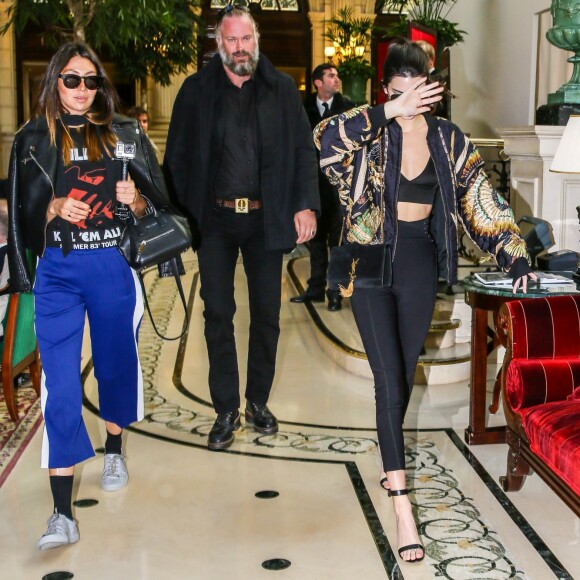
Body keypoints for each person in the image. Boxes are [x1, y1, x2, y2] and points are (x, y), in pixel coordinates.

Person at [315, 39, 535, 563]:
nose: (410, 101)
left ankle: (388, 462)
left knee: (403, 376)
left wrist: (516, 258)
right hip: (369, 263)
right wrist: (388, 112)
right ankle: (401, 506)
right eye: (398, 92)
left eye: (418, 91)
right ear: (386, 92)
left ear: (432, 92)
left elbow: (481, 197)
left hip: (416, 264)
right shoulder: (368, 133)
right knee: (389, 382)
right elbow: (323, 143)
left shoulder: (447, 138)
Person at [7, 42, 172, 550]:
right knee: (58, 385)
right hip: (57, 272)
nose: (81, 90)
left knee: (115, 366)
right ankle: (61, 513)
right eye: (71, 80)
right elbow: (18, 212)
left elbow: (157, 205)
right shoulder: (32, 138)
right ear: (54, 82)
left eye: (90, 81)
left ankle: (115, 446)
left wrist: (136, 198)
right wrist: (52, 208)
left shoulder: (125, 133)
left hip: (110, 266)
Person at [164, 5, 319, 450]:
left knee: (268, 315)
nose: (239, 48)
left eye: (245, 39)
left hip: (266, 220)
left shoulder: (283, 89)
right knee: (217, 313)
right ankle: (226, 408)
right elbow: (175, 159)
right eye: (230, 41)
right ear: (219, 44)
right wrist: (178, 218)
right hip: (213, 220)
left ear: (256, 39)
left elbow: (303, 154)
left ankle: (257, 402)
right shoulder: (195, 91)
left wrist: (305, 204)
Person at [290, 64, 354, 311]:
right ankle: (315, 288)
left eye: (337, 75)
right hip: (313, 186)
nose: (336, 79)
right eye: (331, 75)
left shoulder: (347, 109)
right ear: (317, 82)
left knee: (337, 242)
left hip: (339, 187)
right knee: (315, 242)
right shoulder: (303, 110)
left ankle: (335, 292)